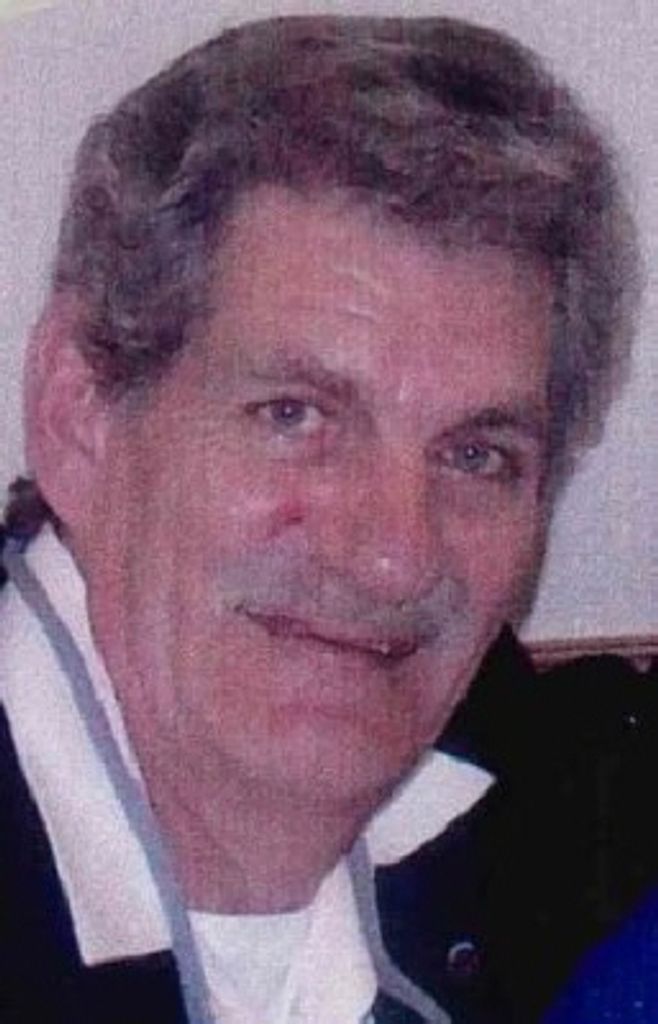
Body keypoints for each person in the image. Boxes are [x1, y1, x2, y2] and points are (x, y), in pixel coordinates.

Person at [0, 14, 646, 1024]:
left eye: (475, 455)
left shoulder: (546, 836)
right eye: (295, 416)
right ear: (80, 417)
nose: (395, 555)